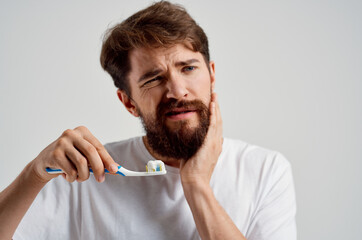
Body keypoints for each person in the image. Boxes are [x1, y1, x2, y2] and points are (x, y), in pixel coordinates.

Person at [0, 1, 297, 239]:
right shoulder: (86, 174)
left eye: (189, 68)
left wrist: (195, 183)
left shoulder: (266, 171)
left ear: (212, 74)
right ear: (128, 101)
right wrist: (34, 174)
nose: (177, 91)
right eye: (154, 79)